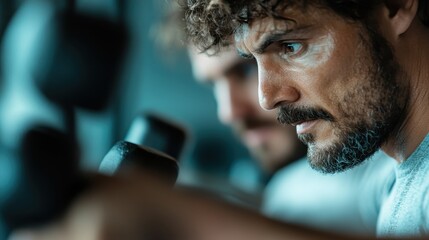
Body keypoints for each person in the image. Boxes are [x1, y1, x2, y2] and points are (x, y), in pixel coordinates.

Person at [10, 0, 429, 239]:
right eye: (254, 62)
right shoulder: (401, 183)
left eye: (292, 47)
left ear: (395, 6)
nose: (268, 98)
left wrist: (167, 216)